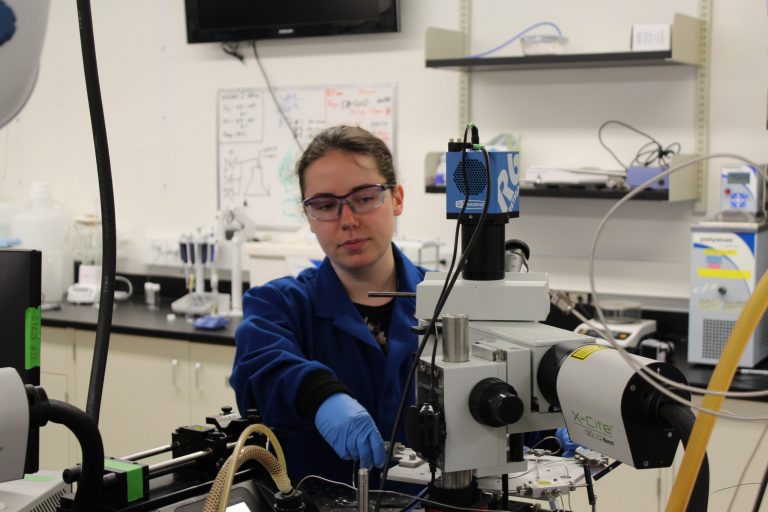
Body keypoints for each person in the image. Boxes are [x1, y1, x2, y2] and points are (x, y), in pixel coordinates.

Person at [231, 125, 427, 485]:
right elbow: (260, 363)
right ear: (308, 216)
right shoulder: (279, 305)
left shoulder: (451, 302)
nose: (348, 221)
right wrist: (320, 397)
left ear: (397, 198)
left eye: (365, 197)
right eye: (325, 205)